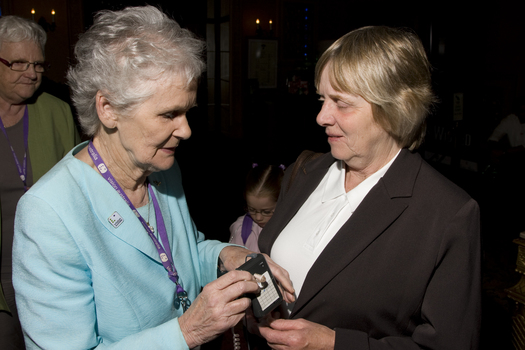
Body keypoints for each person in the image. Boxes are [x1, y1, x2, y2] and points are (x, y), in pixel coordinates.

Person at [12, 6, 294, 349]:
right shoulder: (48, 213)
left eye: (187, 112)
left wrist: (227, 256)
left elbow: (181, 257)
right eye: (168, 114)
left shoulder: (161, 168)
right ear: (108, 109)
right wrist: (187, 332)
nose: (186, 130)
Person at [256, 26, 481, 349]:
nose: (321, 116)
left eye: (341, 103)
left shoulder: (448, 214)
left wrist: (333, 344)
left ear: (395, 108)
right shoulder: (306, 170)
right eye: (322, 99)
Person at [0, 15, 80, 349]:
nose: (31, 73)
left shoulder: (57, 111)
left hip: (49, 269)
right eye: (18, 63)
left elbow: (80, 187)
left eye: (37, 64)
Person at [229, 163, 285, 253]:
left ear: (282, 203)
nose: (258, 217)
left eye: (266, 212)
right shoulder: (241, 229)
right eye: (252, 209)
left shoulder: (290, 229)